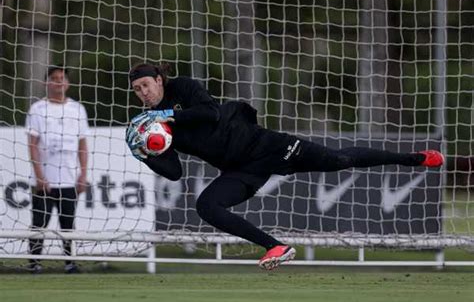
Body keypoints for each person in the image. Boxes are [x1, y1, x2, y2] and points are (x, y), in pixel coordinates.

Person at [126, 63, 444, 270]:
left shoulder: (182, 88)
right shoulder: (155, 130)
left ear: (158, 79)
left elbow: (210, 112)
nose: (143, 94)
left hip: (266, 146)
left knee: (339, 160)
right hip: (241, 170)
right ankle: (276, 247)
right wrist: (144, 154)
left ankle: (415, 158)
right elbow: (175, 172)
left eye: (146, 85)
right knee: (207, 206)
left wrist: (167, 116)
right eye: (137, 90)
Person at [25, 65, 89, 274]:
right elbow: (32, 144)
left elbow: (82, 145)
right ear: (46, 82)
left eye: (62, 78)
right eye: (54, 78)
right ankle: (34, 263)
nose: (58, 82)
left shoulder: (77, 109)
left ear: (68, 83)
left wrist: (83, 174)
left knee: (68, 225)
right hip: (46, 179)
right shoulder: (37, 109)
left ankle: (70, 263)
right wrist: (39, 175)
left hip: (69, 179)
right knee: (39, 223)